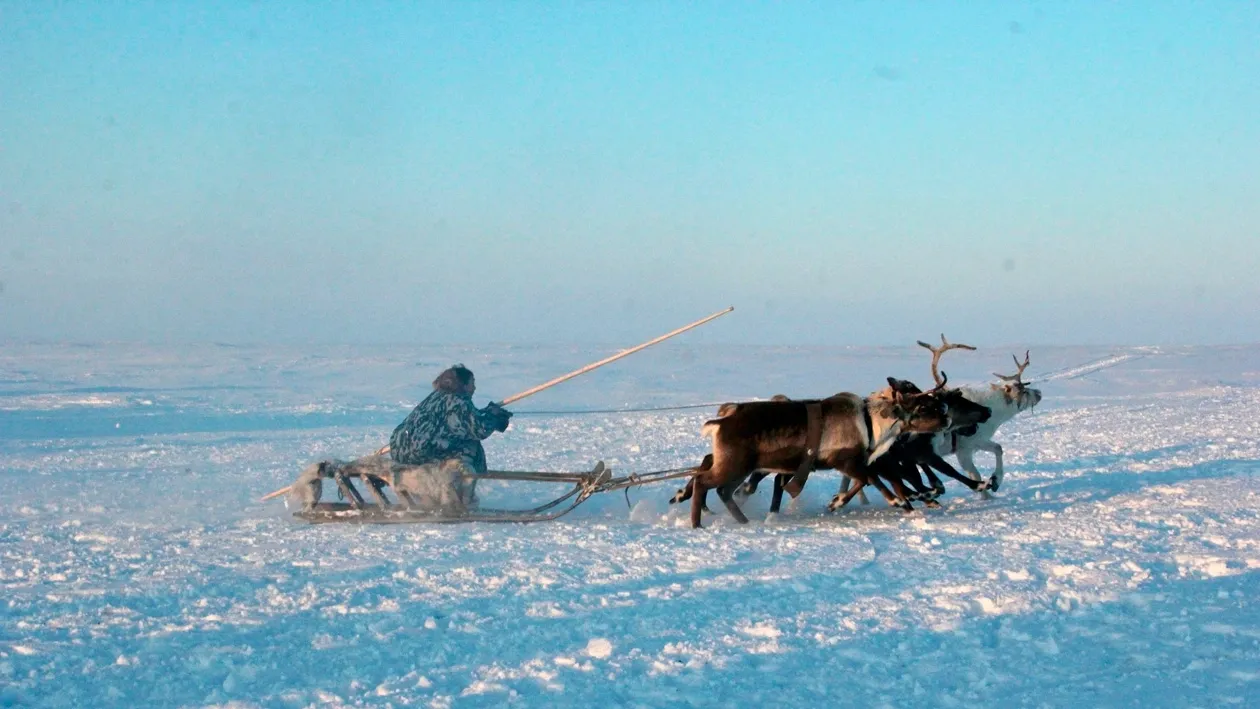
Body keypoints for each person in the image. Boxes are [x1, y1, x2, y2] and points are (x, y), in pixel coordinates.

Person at [388, 364, 512, 506]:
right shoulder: (457, 401)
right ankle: (462, 493)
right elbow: (477, 429)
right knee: (470, 445)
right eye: (472, 383)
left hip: (401, 451)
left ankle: (436, 494)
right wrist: (494, 418)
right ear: (463, 385)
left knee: (458, 441)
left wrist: (486, 413)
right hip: (422, 453)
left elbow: (463, 421)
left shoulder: (436, 397)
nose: (475, 388)